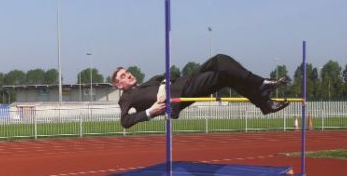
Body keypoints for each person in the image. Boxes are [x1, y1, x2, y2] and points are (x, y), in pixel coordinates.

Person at [112, 54, 290, 129]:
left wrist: (162, 86)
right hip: (183, 93)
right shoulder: (127, 98)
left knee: (221, 67)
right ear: (119, 85)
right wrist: (151, 111)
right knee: (222, 66)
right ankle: (261, 84)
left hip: (187, 81)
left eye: (127, 72)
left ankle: (264, 103)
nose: (128, 75)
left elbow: (171, 73)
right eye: (123, 76)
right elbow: (125, 121)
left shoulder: (149, 83)